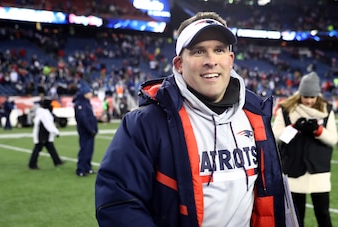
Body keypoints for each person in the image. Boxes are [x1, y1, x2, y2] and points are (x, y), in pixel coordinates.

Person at [95, 12, 291, 226]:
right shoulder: (144, 123)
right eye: (198, 51)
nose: (211, 61)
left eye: (219, 50)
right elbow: (118, 203)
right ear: (179, 64)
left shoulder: (254, 116)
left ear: (230, 59)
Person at [272, 72, 337, 227]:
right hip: (294, 169)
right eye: (305, 96)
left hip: (319, 171)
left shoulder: (327, 110)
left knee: (323, 215)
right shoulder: (286, 109)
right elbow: (275, 137)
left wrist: (318, 131)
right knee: (296, 217)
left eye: (312, 97)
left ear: (317, 95)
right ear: (300, 94)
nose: (309, 101)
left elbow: (333, 140)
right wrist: (294, 128)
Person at [28, 98, 64, 169]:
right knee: (38, 148)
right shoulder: (45, 113)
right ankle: (32, 164)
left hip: (45, 134)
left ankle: (57, 161)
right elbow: (48, 125)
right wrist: (56, 132)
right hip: (42, 134)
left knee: (50, 147)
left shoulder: (43, 112)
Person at [73, 80, 98, 177]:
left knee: (89, 150)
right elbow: (82, 119)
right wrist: (90, 129)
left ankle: (87, 167)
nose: (91, 94)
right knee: (84, 149)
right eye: (89, 92)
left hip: (90, 131)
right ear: (85, 93)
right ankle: (80, 169)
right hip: (85, 131)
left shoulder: (86, 103)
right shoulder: (80, 104)